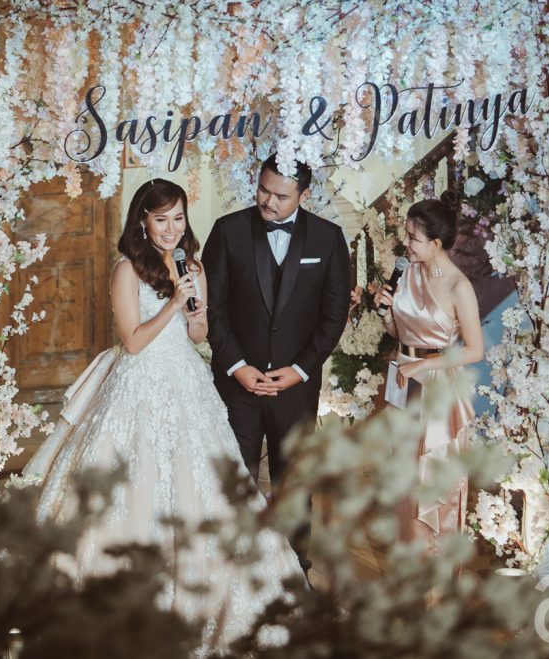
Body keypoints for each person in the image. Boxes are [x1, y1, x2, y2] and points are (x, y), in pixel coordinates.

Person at [24, 178, 303, 646]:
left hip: (186, 381)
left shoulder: (193, 266)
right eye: (161, 219)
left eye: (178, 218)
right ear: (143, 222)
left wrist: (195, 315)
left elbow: (198, 335)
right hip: (139, 384)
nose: (172, 229)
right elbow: (133, 342)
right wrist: (174, 302)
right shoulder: (126, 271)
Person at [202, 156, 351, 571]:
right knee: (235, 477)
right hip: (237, 386)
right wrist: (237, 366)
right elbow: (213, 309)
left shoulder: (328, 238)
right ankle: (233, 570)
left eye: (280, 196)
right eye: (263, 190)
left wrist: (299, 370)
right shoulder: (228, 231)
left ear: (305, 195)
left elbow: (334, 315)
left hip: (296, 388)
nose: (268, 201)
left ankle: (295, 570)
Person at [374, 197, 484, 548]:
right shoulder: (407, 273)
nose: (405, 243)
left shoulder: (458, 287)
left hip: (435, 390)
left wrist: (426, 364)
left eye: (413, 238)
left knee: (429, 481)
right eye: (406, 234)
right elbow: (400, 332)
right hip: (403, 382)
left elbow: (474, 350)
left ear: (436, 244)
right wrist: (385, 313)